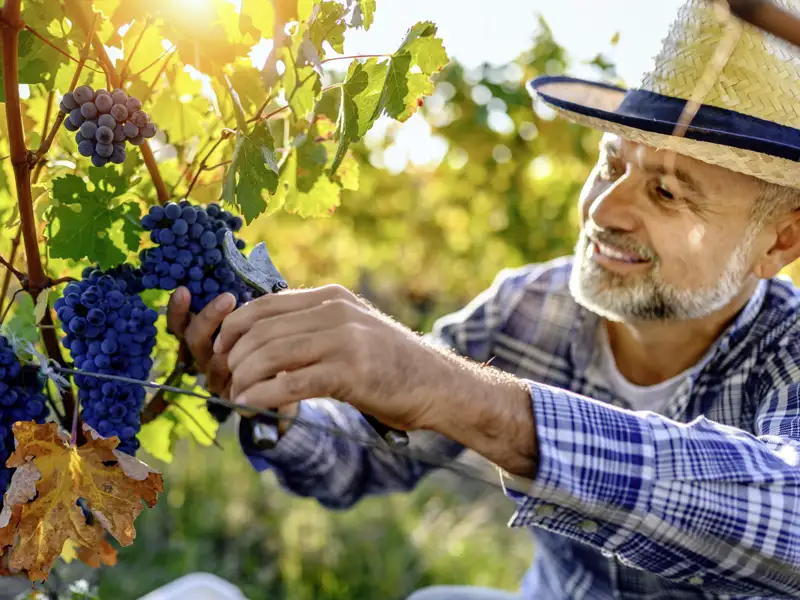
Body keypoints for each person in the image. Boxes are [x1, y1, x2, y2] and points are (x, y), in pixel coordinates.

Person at [165, 0, 800, 598]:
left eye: (666, 193)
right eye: (611, 165)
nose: (604, 210)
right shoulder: (529, 307)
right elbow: (361, 460)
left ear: (780, 239)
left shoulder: (788, 352)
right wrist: (278, 402)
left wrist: (465, 395)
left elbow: (788, 521)